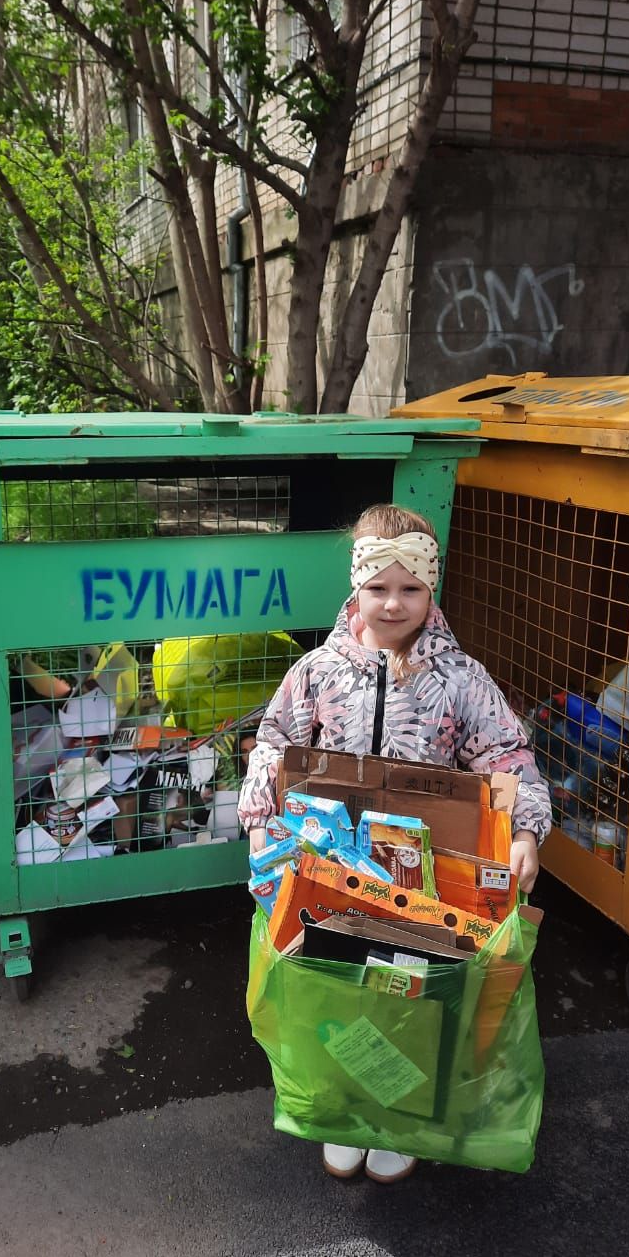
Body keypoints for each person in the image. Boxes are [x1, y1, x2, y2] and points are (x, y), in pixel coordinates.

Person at [238, 503, 551, 1185]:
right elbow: (275, 742)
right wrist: (261, 815)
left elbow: (507, 753)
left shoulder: (461, 679)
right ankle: (345, 1103)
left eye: (410, 588)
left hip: (420, 881)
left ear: (432, 588)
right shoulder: (319, 671)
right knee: (337, 988)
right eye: (378, 587)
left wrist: (525, 827)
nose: (393, 603)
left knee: (409, 993)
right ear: (355, 586)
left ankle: (401, 1114)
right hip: (330, 870)